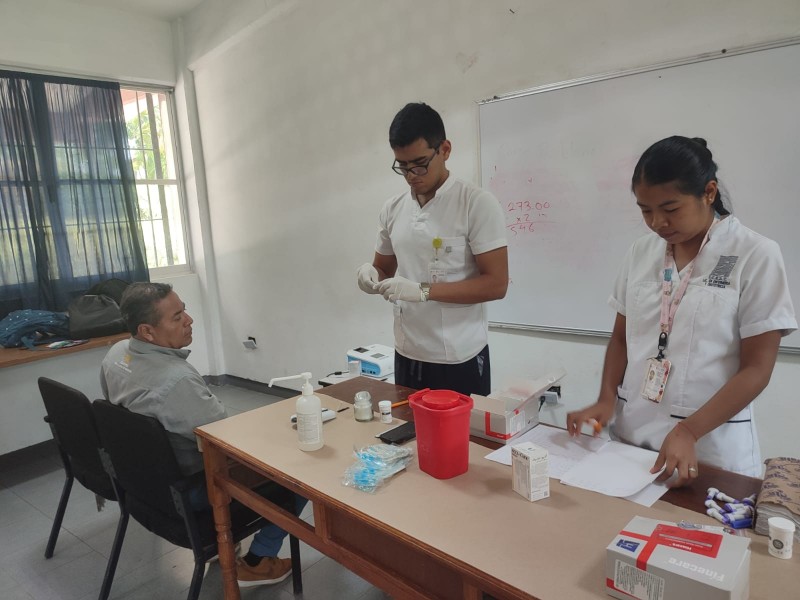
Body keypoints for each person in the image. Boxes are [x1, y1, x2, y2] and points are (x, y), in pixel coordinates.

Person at [567, 136, 796, 486]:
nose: (658, 222)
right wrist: (605, 398)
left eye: (670, 209)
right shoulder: (641, 253)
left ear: (708, 192)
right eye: (646, 210)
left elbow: (757, 368)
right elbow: (621, 339)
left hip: (710, 451)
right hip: (633, 443)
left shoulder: (755, 254)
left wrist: (689, 431)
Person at [100, 282, 305, 588]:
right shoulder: (176, 380)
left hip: (144, 484)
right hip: (189, 490)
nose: (189, 319)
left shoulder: (117, 354)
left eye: (184, 310)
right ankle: (257, 561)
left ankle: (229, 548)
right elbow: (228, 441)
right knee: (299, 472)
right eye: (177, 316)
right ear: (147, 332)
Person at [356, 102, 509, 395]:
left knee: (459, 440)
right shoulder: (393, 208)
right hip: (408, 351)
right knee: (405, 437)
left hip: (458, 356)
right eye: (403, 166)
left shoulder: (475, 203)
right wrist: (369, 274)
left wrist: (423, 291)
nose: (412, 174)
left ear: (445, 150)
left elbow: (496, 284)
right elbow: (384, 268)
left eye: (420, 163)